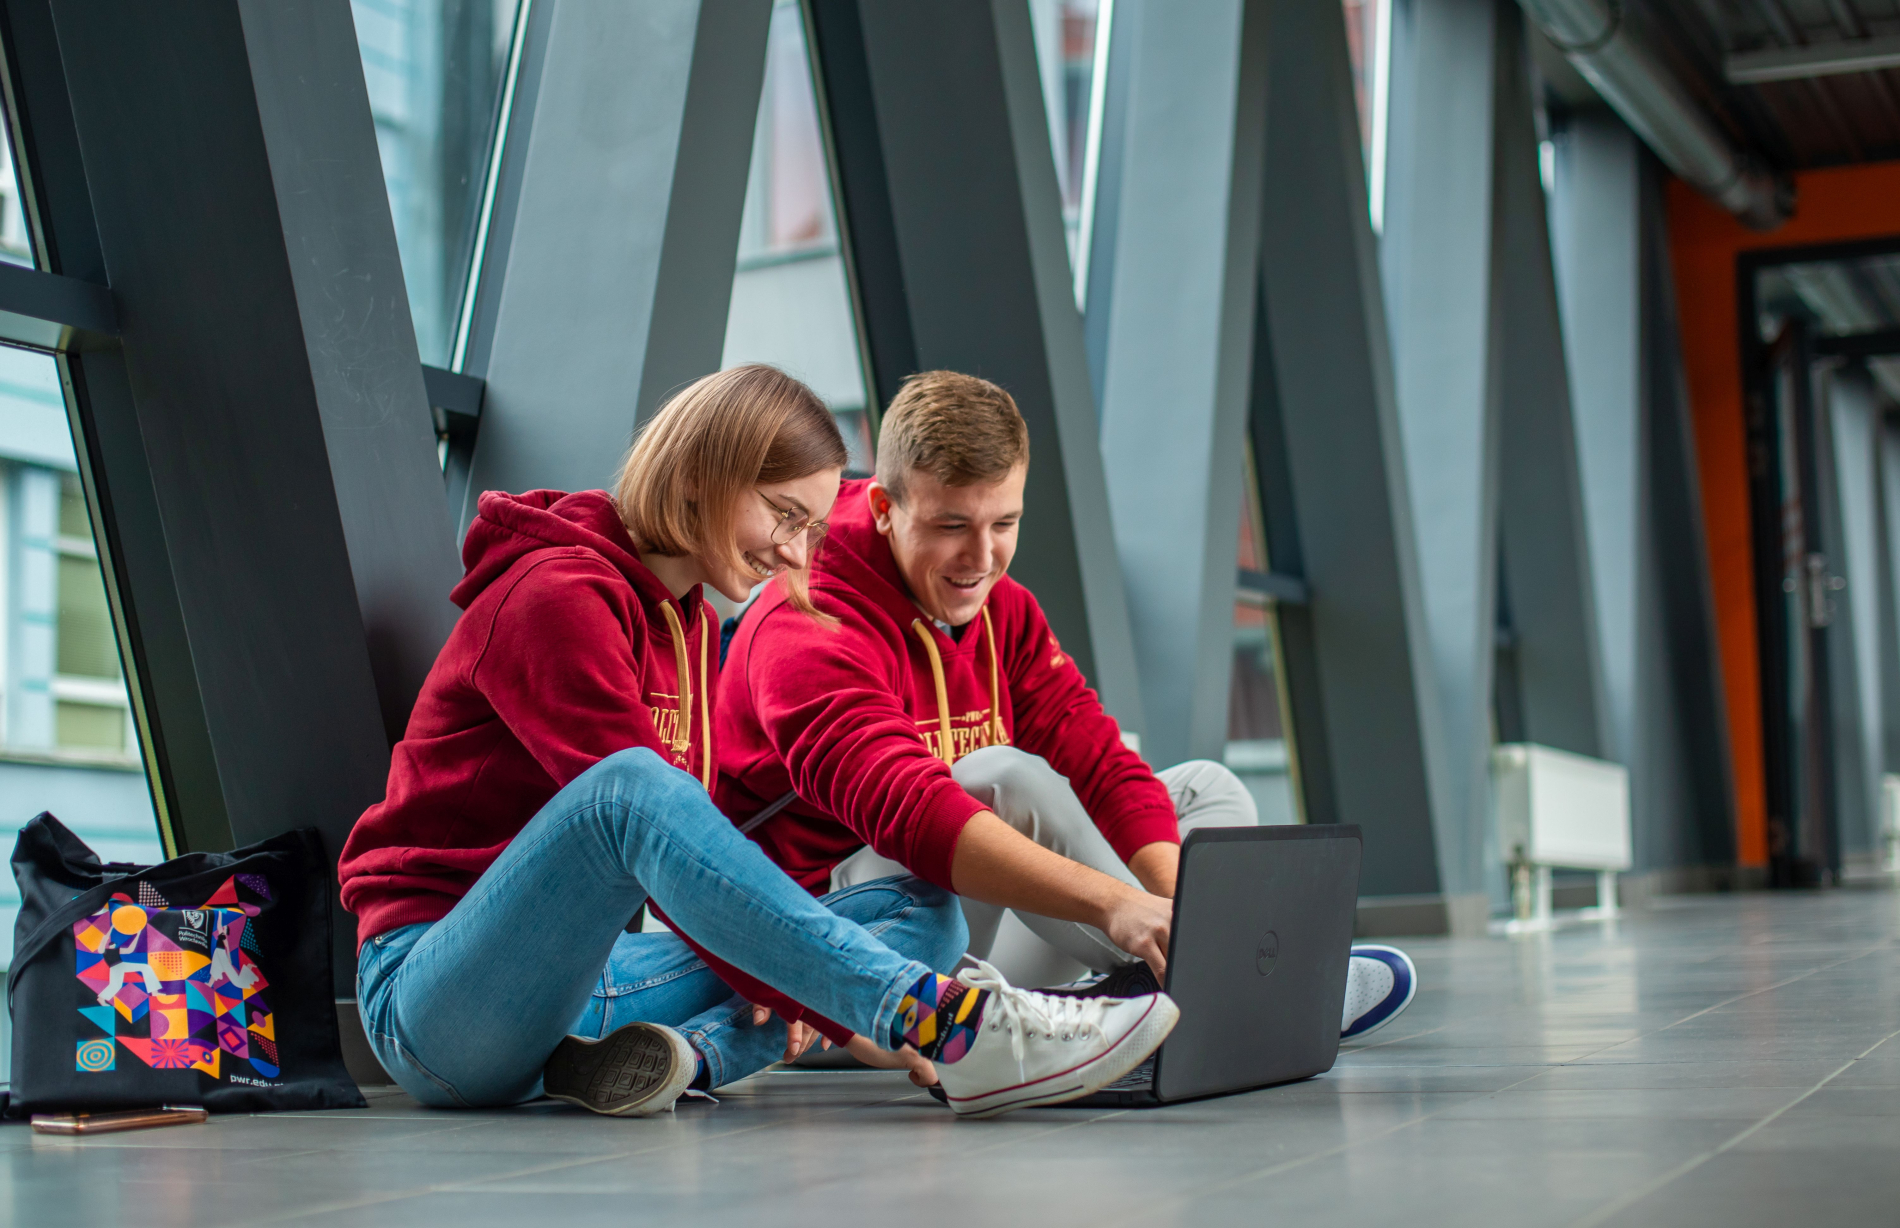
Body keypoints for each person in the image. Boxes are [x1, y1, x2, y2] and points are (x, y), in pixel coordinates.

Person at [336, 365, 1179, 1120]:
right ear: (699, 478)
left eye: (813, 526)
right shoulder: (553, 596)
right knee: (635, 788)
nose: (795, 553)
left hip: (586, 984)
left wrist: (799, 979)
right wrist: (802, 984)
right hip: (437, 1004)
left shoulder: (692, 623)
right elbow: (644, 823)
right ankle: (953, 1027)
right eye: (784, 515)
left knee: (921, 914)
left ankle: (677, 1059)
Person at [716, 370, 1416, 1040]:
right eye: (952, 525)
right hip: (851, 964)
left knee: (1207, 793)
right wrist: (1117, 905)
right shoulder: (805, 622)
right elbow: (913, 811)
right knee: (1004, 780)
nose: (981, 557)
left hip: (974, 933)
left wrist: (1170, 906)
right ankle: (1243, 989)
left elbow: (1100, 762)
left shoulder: (1001, 609)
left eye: (1005, 522)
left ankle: (1148, 985)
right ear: (883, 508)